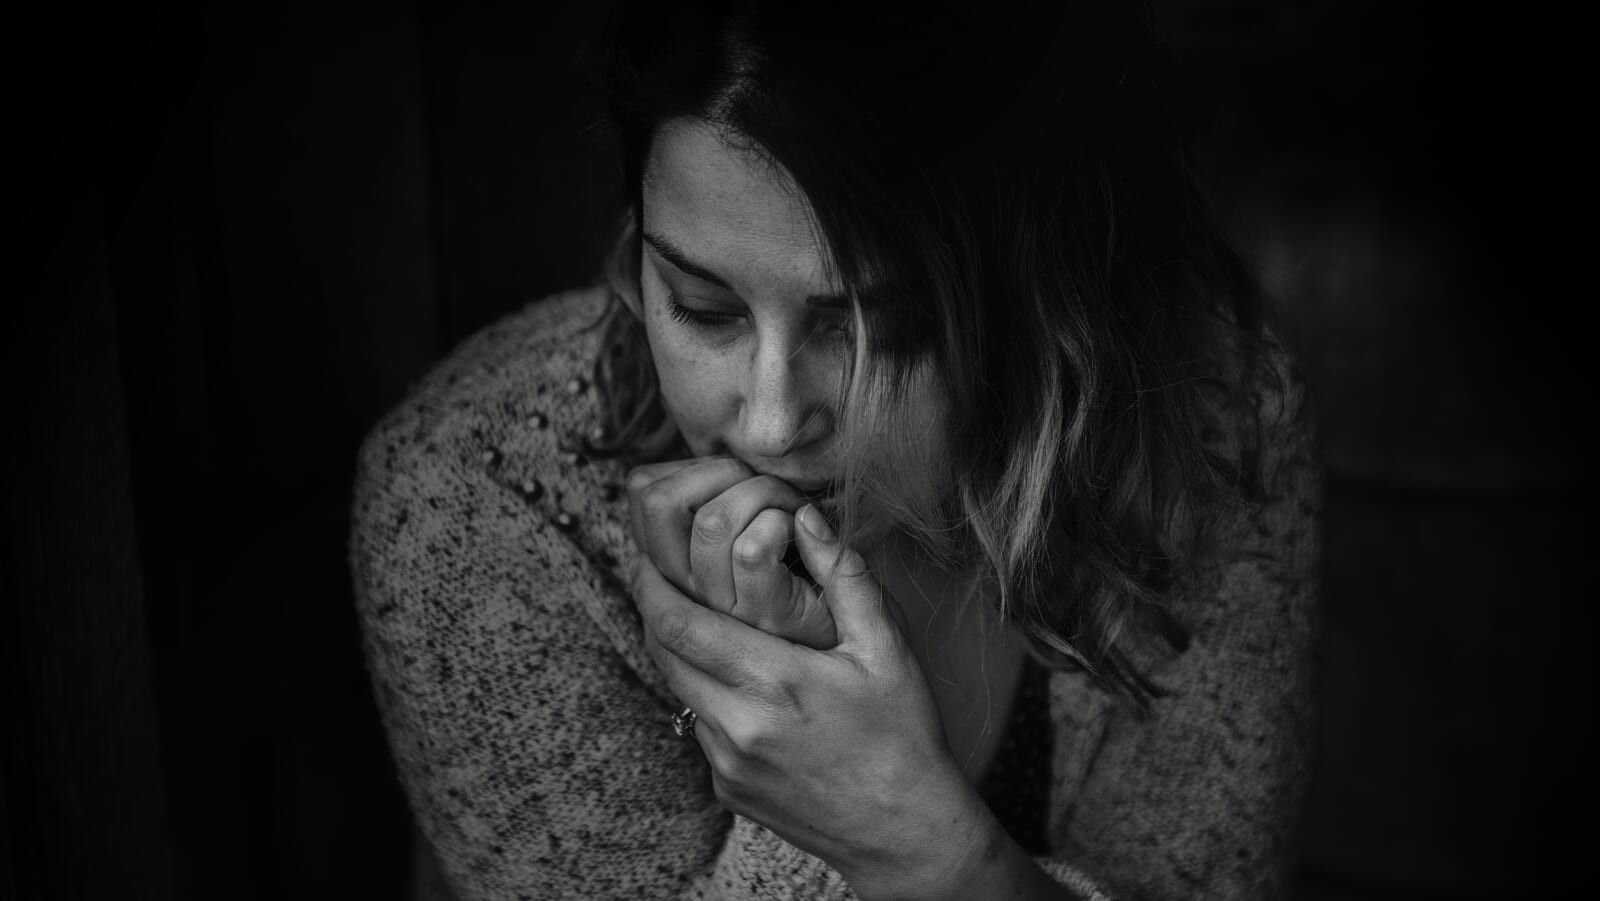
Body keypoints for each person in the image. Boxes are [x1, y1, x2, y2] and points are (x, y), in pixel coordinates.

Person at [348, 1, 1321, 898]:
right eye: (701, 305)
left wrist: (922, 848)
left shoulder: (1202, 419)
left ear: (1045, 299)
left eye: (876, 328)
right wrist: (802, 759)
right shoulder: (477, 499)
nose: (769, 421)